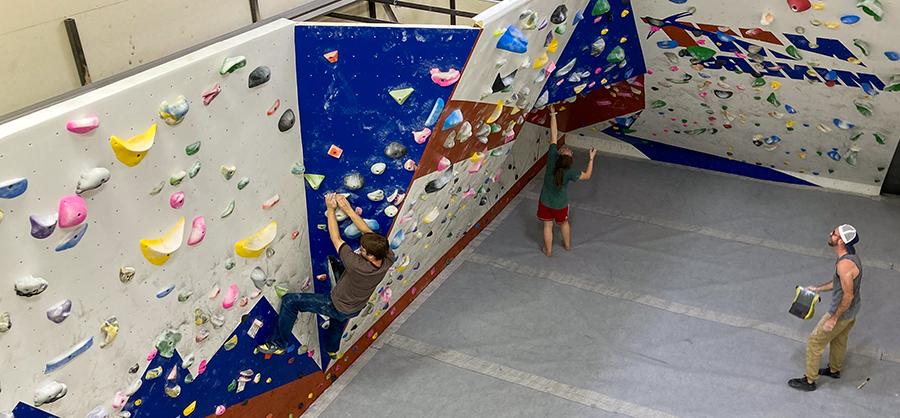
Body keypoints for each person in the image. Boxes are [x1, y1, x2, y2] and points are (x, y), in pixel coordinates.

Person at [259, 194, 395, 358]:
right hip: (355, 308)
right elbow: (368, 232)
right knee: (337, 323)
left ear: (372, 256)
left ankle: (278, 343)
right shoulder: (387, 257)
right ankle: (332, 350)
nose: (361, 249)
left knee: (290, 301)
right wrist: (348, 210)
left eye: (363, 251)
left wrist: (331, 210)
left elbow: (335, 237)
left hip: (336, 304)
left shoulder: (358, 265)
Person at [788, 224, 863, 392]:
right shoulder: (850, 257)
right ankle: (834, 370)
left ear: (841, 241)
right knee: (839, 340)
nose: (831, 234)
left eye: (834, 233)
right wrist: (818, 288)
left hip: (842, 313)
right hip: (852, 312)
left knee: (814, 342)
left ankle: (809, 381)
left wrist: (833, 318)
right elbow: (839, 284)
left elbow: (848, 295)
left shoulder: (844, 265)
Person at [537, 105, 596, 257]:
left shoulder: (551, 159)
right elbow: (588, 175)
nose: (567, 148)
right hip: (560, 204)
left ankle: (548, 251)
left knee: (547, 225)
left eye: (566, 150)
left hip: (545, 201)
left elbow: (553, 136)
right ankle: (568, 245)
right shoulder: (571, 172)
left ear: (560, 155)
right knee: (563, 223)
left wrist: (553, 114)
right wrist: (591, 159)